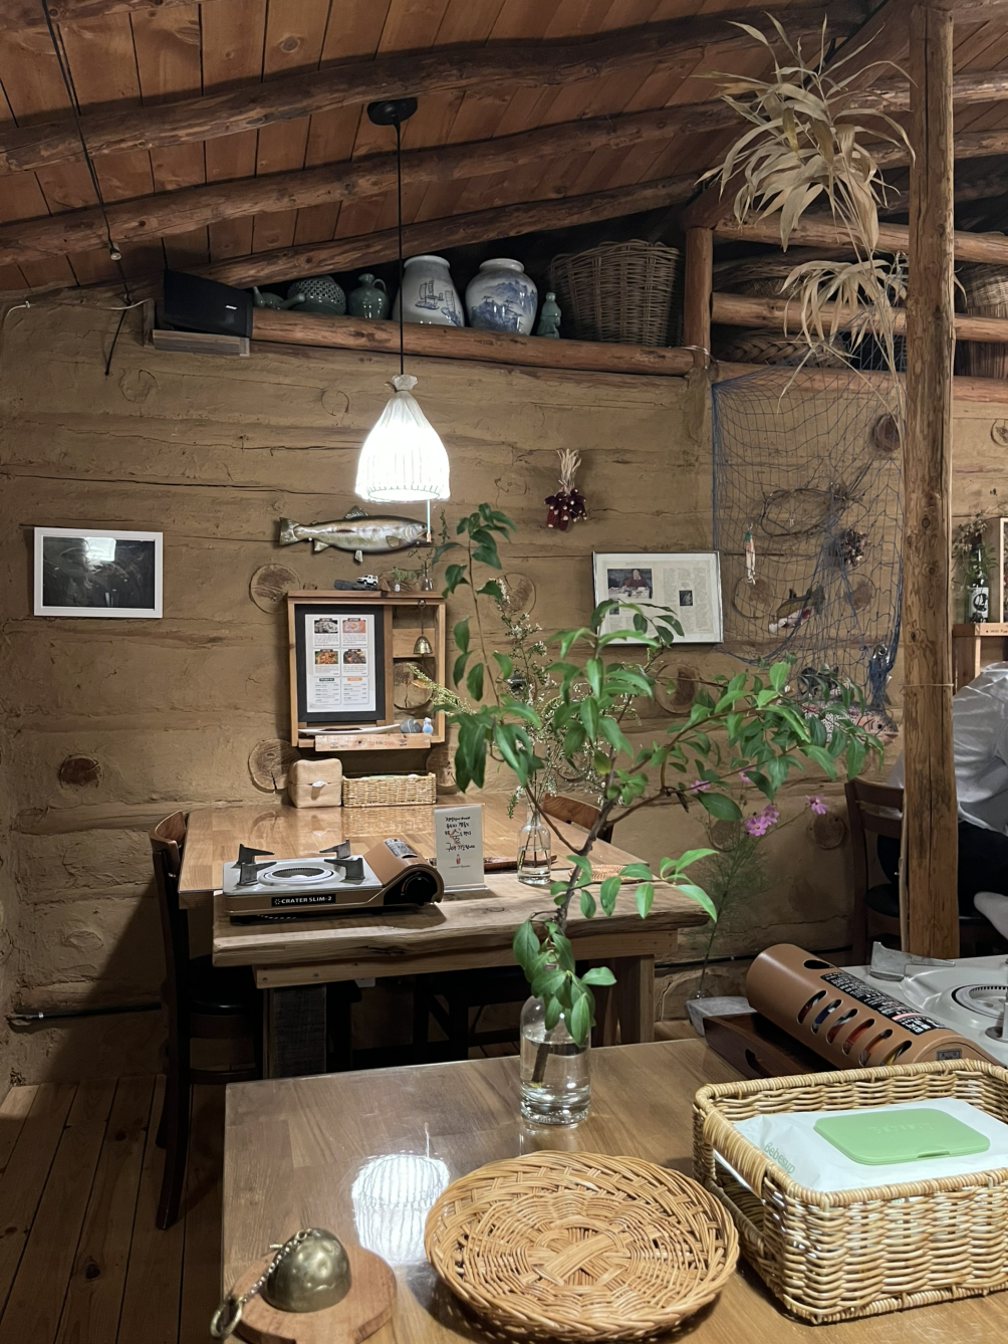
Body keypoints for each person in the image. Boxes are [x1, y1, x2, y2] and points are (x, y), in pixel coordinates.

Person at [879, 662, 1008, 911]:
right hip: (931, 853)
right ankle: (984, 901)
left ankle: (985, 901)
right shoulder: (1004, 697)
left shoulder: (995, 678)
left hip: (894, 847)